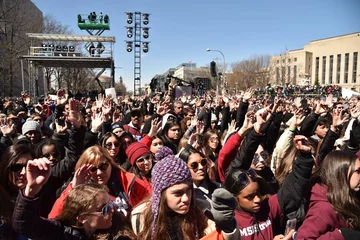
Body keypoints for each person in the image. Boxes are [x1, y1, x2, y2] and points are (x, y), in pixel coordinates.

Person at [134, 146, 240, 239]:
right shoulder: (140, 218)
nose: (186, 198)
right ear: (160, 194)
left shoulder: (201, 210)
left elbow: (217, 236)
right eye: (178, 193)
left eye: (189, 190)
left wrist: (228, 228)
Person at [12, 157, 115, 239]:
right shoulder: (63, 233)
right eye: (105, 209)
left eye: (110, 204)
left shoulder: (114, 228)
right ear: (83, 218)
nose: (112, 210)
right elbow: (25, 224)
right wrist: (32, 189)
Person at [48, 145, 151, 219]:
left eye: (103, 166)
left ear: (110, 163)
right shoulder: (80, 188)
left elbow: (153, 203)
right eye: (93, 169)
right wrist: (74, 189)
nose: (99, 173)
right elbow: (54, 218)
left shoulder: (129, 180)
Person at [296, 150, 360, 239]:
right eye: (358, 171)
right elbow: (303, 238)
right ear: (342, 172)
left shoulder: (346, 197)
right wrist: (341, 235)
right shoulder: (323, 209)